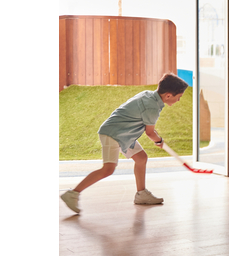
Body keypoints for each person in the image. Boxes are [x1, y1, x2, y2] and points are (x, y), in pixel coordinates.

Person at [60, 73, 190, 214]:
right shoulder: (152, 107)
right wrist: (159, 141)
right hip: (113, 133)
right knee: (108, 169)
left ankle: (141, 194)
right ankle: (72, 194)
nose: (179, 100)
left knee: (141, 158)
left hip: (125, 135)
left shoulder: (148, 95)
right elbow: (150, 133)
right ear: (168, 95)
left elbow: (149, 128)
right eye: (179, 97)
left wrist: (158, 139)